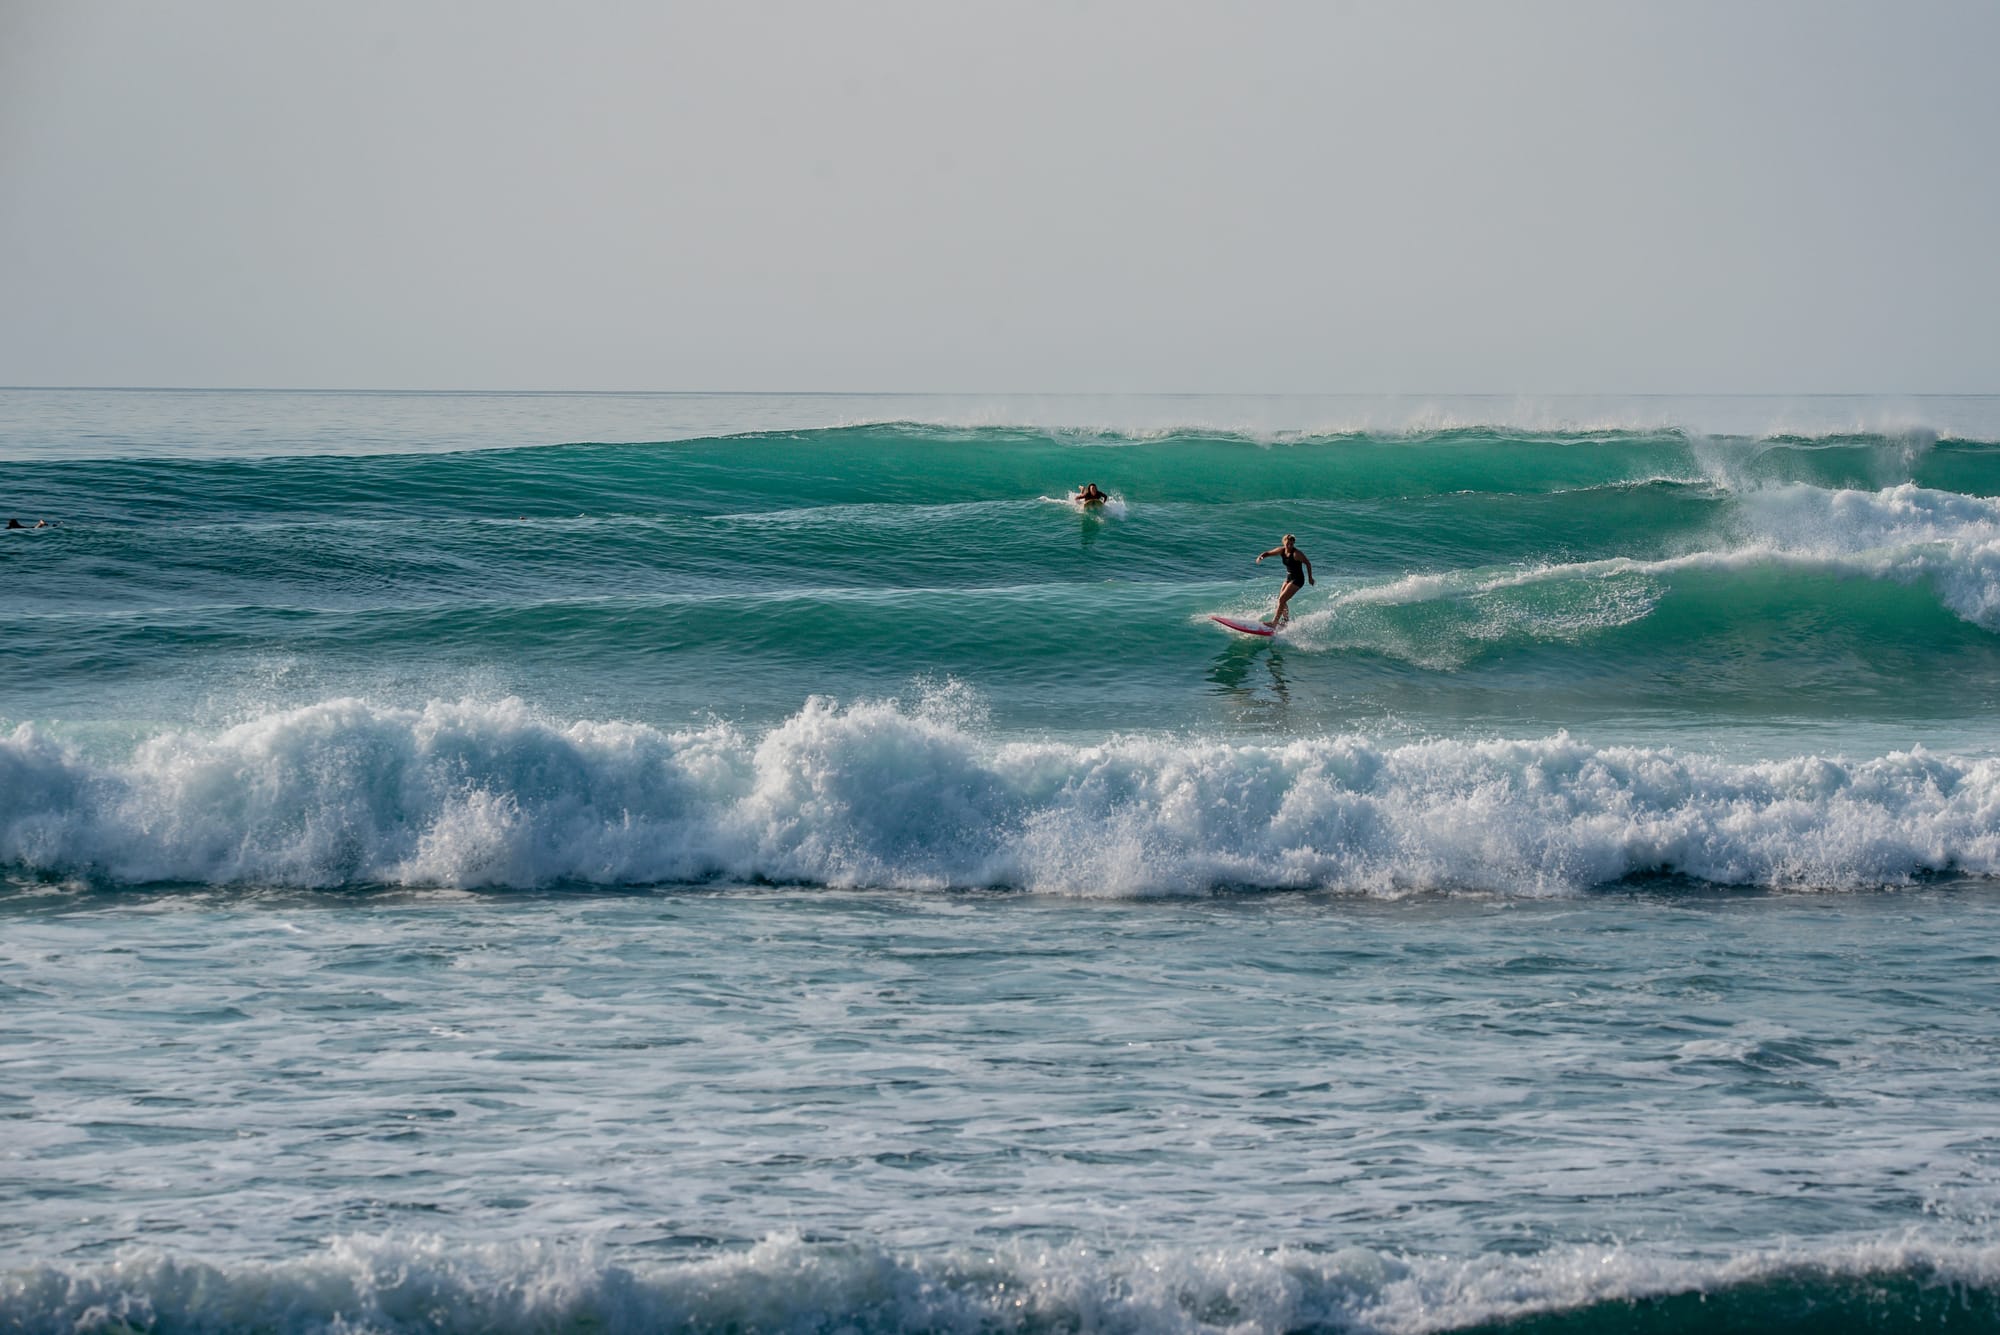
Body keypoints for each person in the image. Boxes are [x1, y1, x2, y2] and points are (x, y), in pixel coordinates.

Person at [1255, 533, 1313, 627]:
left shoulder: (1296, 553)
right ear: (1284, 542)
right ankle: (1286, 621)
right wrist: (1260, 557)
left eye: (1292, 544)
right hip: (1289, 578)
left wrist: (1310, 578)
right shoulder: (1281, 550)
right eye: (1288, 544)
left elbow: (1308, 563)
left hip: (1298, 579)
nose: (1289, 546)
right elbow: (1268, 553)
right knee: (1281, 600)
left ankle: (1274, 623)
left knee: (1282, 599)